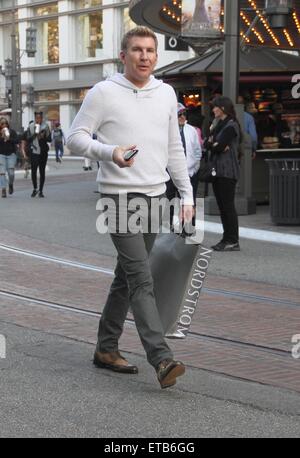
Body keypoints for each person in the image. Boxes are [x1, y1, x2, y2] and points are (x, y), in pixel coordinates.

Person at [67, 26, 194, 389]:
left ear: (157, 56)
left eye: (150, 50)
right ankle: (161, 357)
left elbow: (174, 148)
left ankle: (106, 348)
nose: (144, 56)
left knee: (126, 277)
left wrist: (185, 195)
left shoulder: (167, 93)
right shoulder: (103, 93)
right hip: (118, 199)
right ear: (123, 55)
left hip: (156, 197)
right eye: (137, 50)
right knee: (142, 278)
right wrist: (110, 152)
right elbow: (74, 137)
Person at [206, 96, 241, 252]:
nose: (213, 110)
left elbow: (219, 147)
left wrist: (215, 145)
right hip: (217, 171)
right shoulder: (217, 125)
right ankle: (226, 238)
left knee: (228, 206)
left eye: (215, 107)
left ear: (223, 109)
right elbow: (206, 143)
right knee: (222, 207)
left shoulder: (231, 126)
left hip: (228, 171)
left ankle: (232, 240)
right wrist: (213, 144)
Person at [166, 103, 202, 228]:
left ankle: (188, 231)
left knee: (188, 202)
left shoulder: (191, 130)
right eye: (179, 114)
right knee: (169, 201)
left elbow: (198, 151)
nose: (182, 117)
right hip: (170, 173)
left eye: (184, 114)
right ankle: (169, 230)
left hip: (190, 173)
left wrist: (194, 169)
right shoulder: (167, 131)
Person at [24, 112, 51, 198]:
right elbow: (27, 139)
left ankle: (41, 190)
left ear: (42, 118)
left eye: (40, 118)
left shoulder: (45, 126)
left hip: (43, 152)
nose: (38, 119)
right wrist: (35, 134)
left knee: (42, 171)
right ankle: (35, 188)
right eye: (37, 118)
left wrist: (43, 137)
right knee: (34, 171)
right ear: (35, 118)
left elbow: (50, 139)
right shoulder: (31, 126)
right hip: (34, 151)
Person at [0, 117, 19, 198]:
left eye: (5, 123)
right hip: (1, 155)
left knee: (11, 173)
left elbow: (17, 141)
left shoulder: (12, 132)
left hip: (11, 154)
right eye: (2, 124)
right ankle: (3, 189)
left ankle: (10, 184)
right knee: (2, 173)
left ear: (8, 124)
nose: (4, 125)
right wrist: (1, 136)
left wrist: (9, 138)